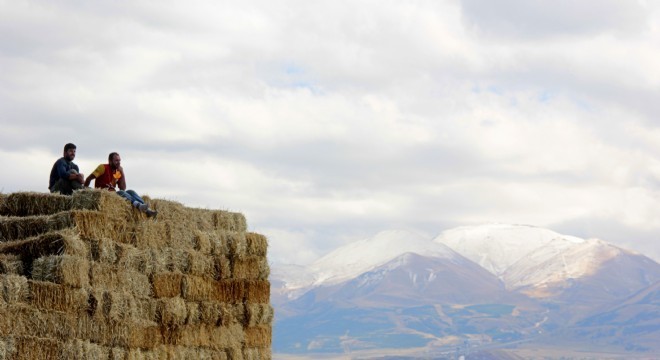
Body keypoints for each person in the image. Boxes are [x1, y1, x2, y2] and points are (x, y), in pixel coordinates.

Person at [84, 152, 157, 217]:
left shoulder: (117, 172)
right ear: (110, 161)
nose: (118, 162)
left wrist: (122, 172)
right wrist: (85, 191)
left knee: (131, 191)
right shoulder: (103, 167)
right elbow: (88, 179)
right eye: (116, 160)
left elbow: (123, 188)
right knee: (121, 193)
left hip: (114, 194)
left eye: (119, 160)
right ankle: (138, 205)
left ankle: (147, 210)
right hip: (104, 195)